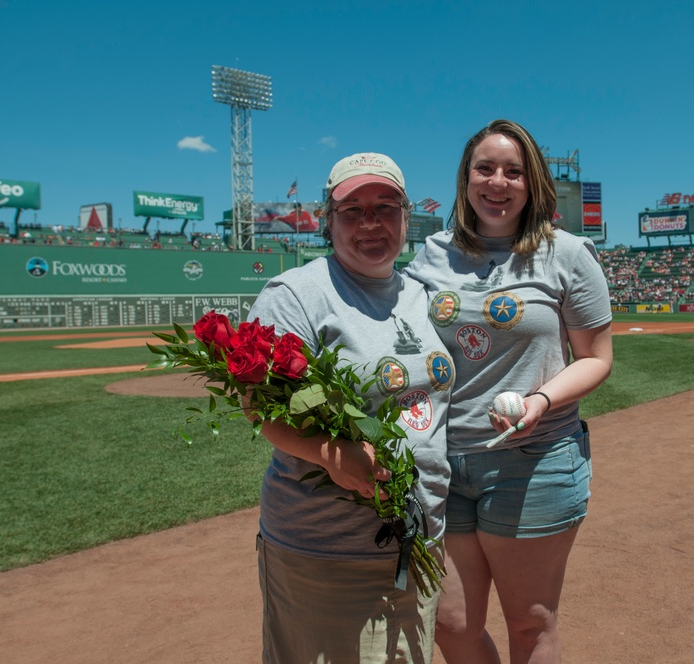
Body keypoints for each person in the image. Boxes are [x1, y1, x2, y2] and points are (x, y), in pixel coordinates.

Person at [404, 119, 614, 664]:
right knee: (451, 625)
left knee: (530, 625)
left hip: (534, 459)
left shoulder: (567, 254)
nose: (498, 182)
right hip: (441, 465)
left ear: (532, 182)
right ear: (466, 178)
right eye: (486, 168)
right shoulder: (430, 255)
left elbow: (596, 359)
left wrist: (540, 401)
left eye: (513, 171)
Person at [246, 153, 453, 663]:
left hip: (418, 538)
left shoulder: (420, 294)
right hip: (326, 550)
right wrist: (333, 454)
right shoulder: (297, 295)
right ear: (327, 219)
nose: (370, 223)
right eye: (352, 209)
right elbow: (260, 405)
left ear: (407, 217)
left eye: (386, 207)